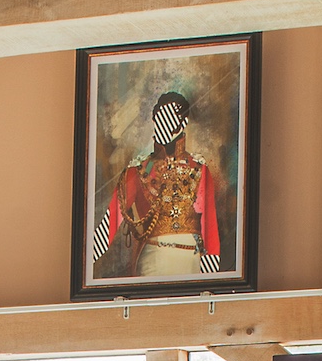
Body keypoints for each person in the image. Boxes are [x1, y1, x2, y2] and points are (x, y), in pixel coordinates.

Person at [90, 90, 223, 280]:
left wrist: (212, 283)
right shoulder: (136, 171)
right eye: (158, 119)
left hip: (191, 260)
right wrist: (85, 265)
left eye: (168, 119)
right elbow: (109, 224)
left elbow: (210, 231)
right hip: (153, 260)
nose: (161, 126)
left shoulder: (200, 169)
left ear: (182, 123)